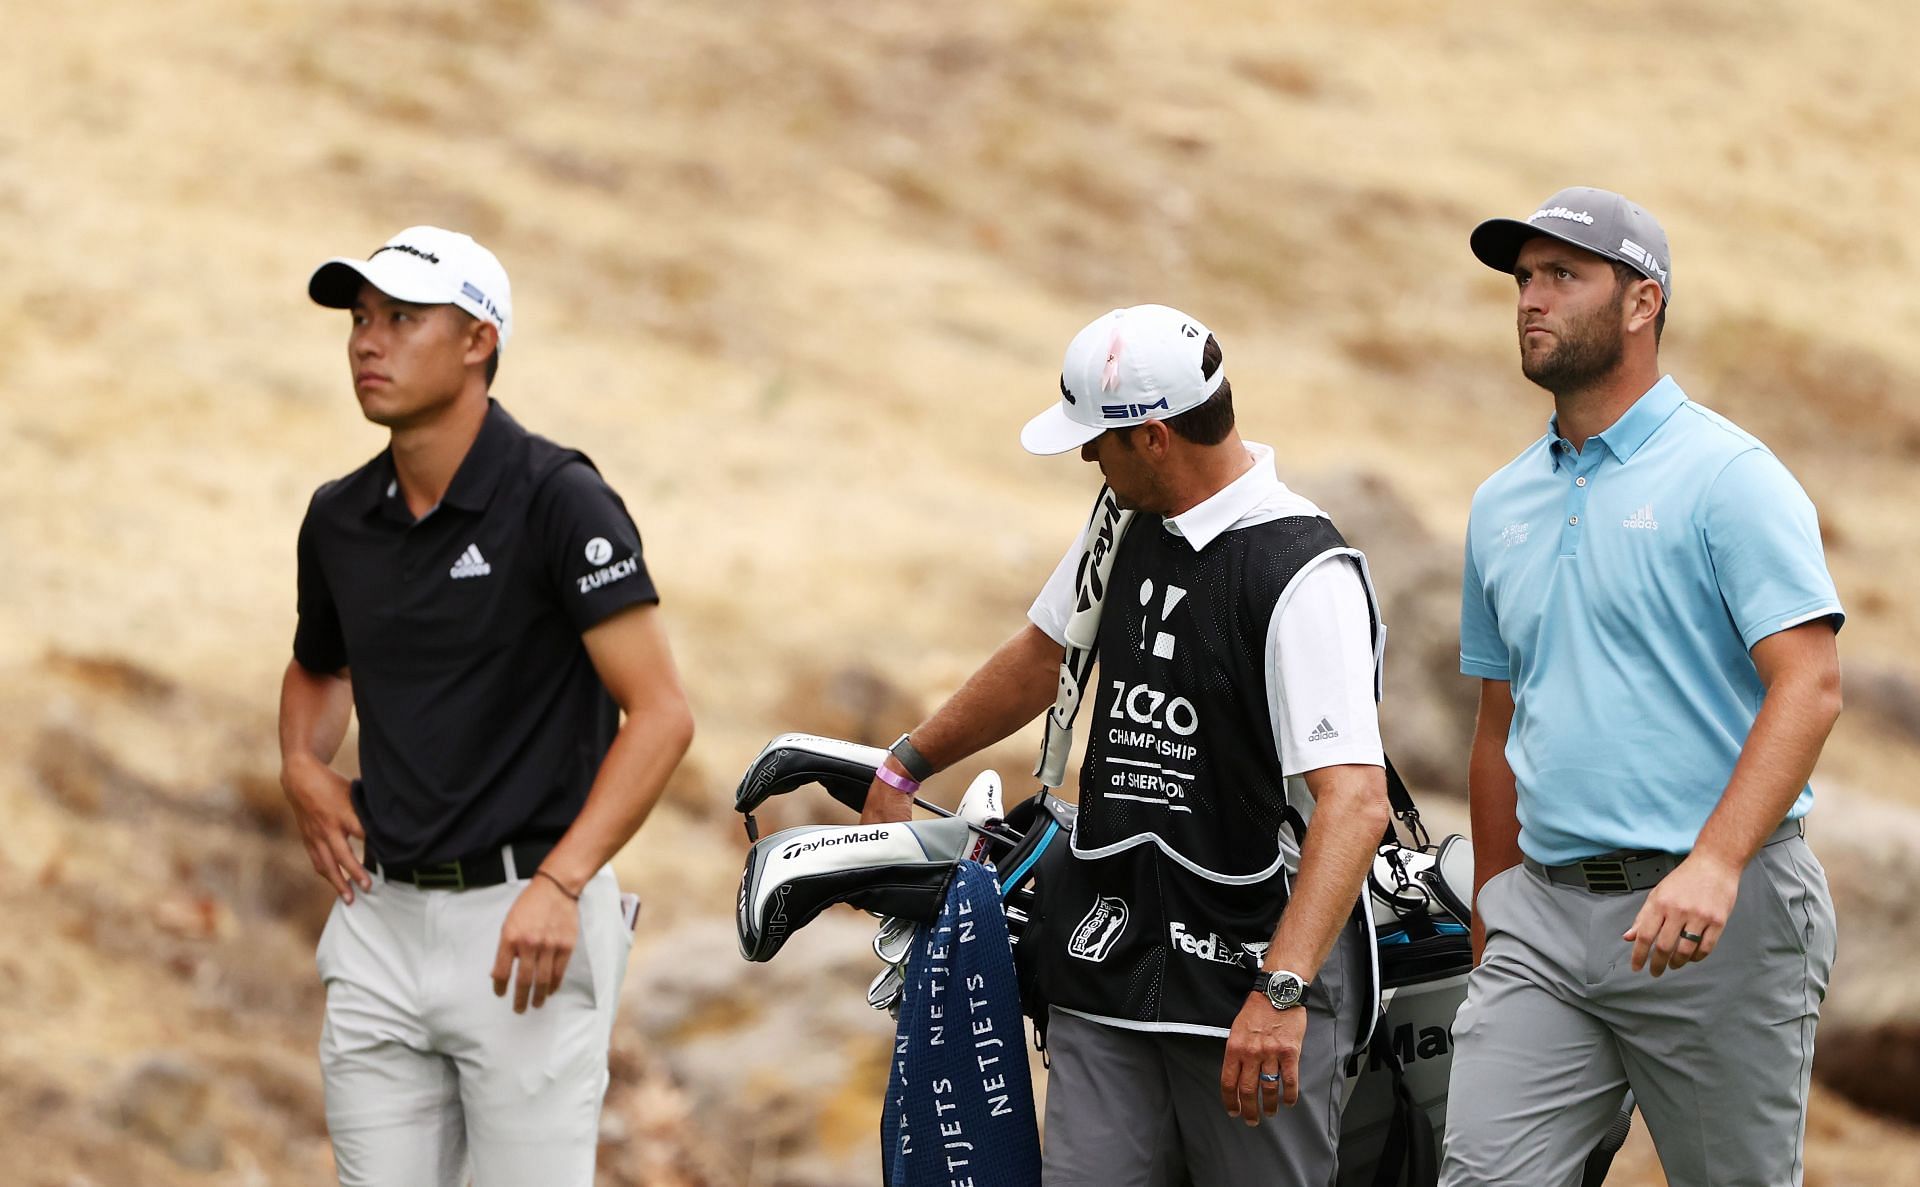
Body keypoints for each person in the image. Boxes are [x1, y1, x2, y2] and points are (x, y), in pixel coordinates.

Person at [859, 304, 1391, 1185]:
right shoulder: (1123, 519)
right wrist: (909, 760)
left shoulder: (1303, 572)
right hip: (1108, 961)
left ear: (1151, 437)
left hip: (1245, 989)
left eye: (1095, 439)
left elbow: (1355, 800)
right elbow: (1044, 654)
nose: (1083, 457)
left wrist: (1282, 990)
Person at [277, 225, 695, 1187]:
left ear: (478, 341)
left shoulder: (560, 501)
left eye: (402, 319)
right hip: (379, 919)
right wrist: (302, 763)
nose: (367, 342)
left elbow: (662, 714)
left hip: (529, 929)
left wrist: (562, 881)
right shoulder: (340, 518)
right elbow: (316, 668)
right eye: (360, 319)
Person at [1442, 188, 1843, 1187]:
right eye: (1525, 278)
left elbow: (1811, 683)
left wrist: (1715, 861)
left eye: (1562, 276)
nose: (1531, 298)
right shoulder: (1500, 505)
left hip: (1722, 918)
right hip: (1542, 918)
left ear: (1641, 302)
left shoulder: (1730, 477)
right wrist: (1494, 900)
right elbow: (1499, 722)